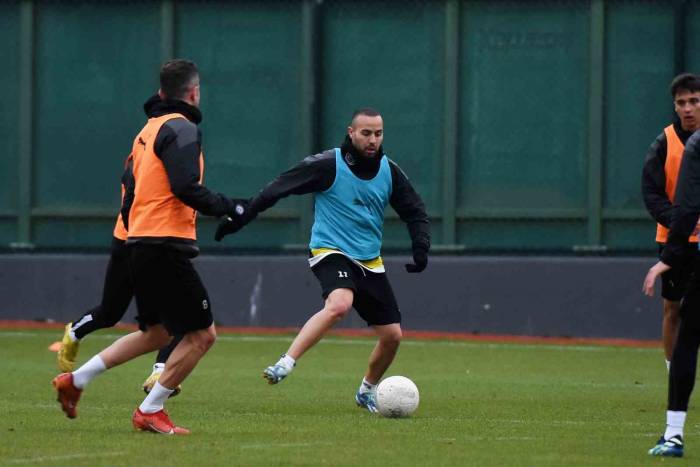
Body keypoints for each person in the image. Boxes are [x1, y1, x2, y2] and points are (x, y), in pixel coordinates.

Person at [52, 59, 247, 434]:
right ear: (193, 93)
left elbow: (134, 194)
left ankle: (75, 381)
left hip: (140, 241)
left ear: (161, 93)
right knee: (202, 335)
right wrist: (229, 206)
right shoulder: (182, 128)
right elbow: (186, 187)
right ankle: (150, 410)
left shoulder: (148, 129)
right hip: (164, 244)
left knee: (157, 334)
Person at [216, 107, 430, 413]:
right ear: (351, 132)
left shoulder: (389, 171)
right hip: (330, 251)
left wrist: (421, 247)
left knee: (392, 336)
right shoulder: (328, 165)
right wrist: (242, 217)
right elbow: (279, 187)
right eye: (366, 133)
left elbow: (415, 211)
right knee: (339, 305)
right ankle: (285, 363)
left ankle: (366, 392)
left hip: (369, 260)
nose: (372, 140)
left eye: (378, 133)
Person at [57, 146, 183, 397]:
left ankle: (159, 370)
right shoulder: (145, 157)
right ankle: (75, 332)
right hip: (140, 242)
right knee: (115, 312)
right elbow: (134, 199)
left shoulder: (164, 154)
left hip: (146, 241)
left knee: (170, 312)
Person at [643, 73, 700, 457]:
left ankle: (674, 432)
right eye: (682, 102)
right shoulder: (666, 142)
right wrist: (676, 219)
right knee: (674, 311)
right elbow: (650, 190)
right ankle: (673, 378)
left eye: (694, 101)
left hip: (684, 241)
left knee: (690, 331)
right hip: (677, 239)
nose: (688, 108)